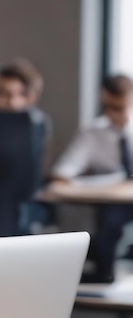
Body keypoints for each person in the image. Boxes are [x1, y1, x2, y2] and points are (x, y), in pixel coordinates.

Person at [50, 73, 133, 283]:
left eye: (121, 107)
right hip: (113, 204)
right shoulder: (92, 133)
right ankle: (104, 272)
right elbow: (62, 174)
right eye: (109, 107)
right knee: (110, 220)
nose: (115, 115)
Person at [0, 57, 52, 233]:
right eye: (0, 92)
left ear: (30, 97)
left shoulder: (37, 124)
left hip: (24, 200)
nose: (4, 100)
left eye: (11, 94)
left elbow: (27, 175)